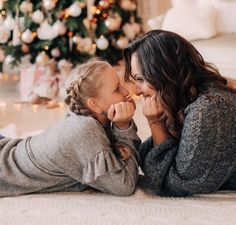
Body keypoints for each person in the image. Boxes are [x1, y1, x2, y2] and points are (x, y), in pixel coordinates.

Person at [0, 58, 141, 198]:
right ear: (94, 104)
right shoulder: (86, 130)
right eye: (117, 89)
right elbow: (124, 185)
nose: (126, 92)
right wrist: (123, 127)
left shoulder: (91, 120)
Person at [123, 29, 236, 197]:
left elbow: (176, 185)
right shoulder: (187, 100)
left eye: (141, 79)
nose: (138, 91)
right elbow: (165, 163)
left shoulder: (209, 109)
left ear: (164, 73)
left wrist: (155, 124)